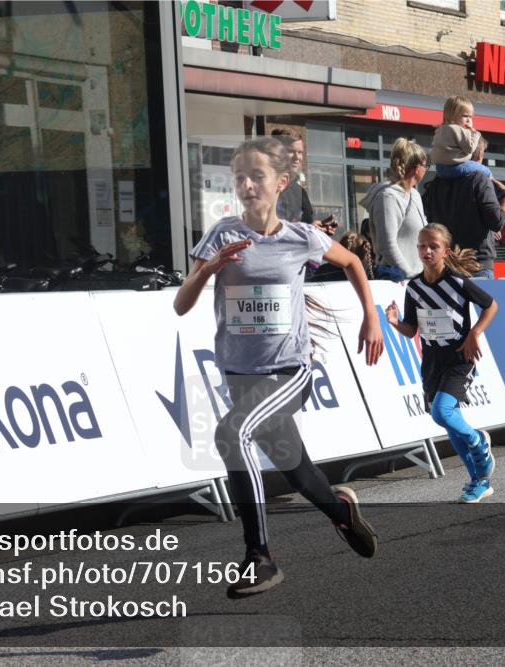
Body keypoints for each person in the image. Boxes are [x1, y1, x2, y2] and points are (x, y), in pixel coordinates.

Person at [173, 137, 383, 599]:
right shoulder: (220, 235)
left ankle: (260, 557)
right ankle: (341, 513)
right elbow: (181, 306)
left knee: (231, 433)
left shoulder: (300, 237)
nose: (248, 185)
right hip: (239, 374)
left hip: (290, 370)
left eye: (258, 176)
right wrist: (208, 270)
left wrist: (372, 316)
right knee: (293, 465)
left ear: (281, 183)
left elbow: (350, 261)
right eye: (240, 178)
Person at [384, 223, 499, 503]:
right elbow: (412, 330)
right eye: (422, 245)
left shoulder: (457, 281)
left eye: (433, 246)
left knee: (442, 412)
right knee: (448, 423)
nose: (427, 251)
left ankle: (478, 441)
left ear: (445, 251)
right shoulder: (414, 287)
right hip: (432, 359)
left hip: (460, 356)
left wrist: (475, 333)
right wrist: (394, 322)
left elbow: (491, 305)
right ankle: (479, 481)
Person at [422, 132, 505, 279]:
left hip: (447, 262)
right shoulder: (479, 179)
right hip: (477, 263)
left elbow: (430, 220)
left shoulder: (436, 184)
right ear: (479, 155)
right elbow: (497, 222)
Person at [360, 138, 429, 281]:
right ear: (416, 169)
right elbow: (387, 245)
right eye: (426, 165)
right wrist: (409, 275)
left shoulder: (415, 195)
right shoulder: (388, 197)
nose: (427, 169)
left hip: (417, 278)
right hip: (396, 281)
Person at [431, 96, 491, 180]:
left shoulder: (440, 129)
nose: (469, 120)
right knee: (486, 171)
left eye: (471, 117)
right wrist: (475, 133)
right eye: (465, 116)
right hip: (455, 167)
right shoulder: (459, 129)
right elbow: (470, 148)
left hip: (440, 168)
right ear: (452, 115)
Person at [271, 130, 317, 225]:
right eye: (291, 151)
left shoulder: (299, 191)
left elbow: (307, 223)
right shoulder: (264, 187)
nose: (297, 157)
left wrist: (316, 228)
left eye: (300, 152)